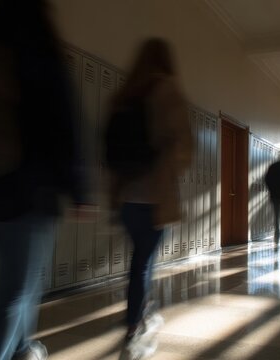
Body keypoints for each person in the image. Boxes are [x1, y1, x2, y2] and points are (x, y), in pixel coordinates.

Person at [0, 1, 93, 359]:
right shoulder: (38, 47)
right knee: (16, 290)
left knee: (20, 282)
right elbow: (63, 124)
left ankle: (24, 349)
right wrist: (78, 190)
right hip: (27, 191)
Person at [107, 37, 193, 359]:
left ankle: (138, 311)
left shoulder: (127, 92)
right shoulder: (167, 90)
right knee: (143, 261)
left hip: (127, 196)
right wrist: (172, 164)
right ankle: (134, 319)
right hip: (156, 195)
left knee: (140, 259)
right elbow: (184, 146)